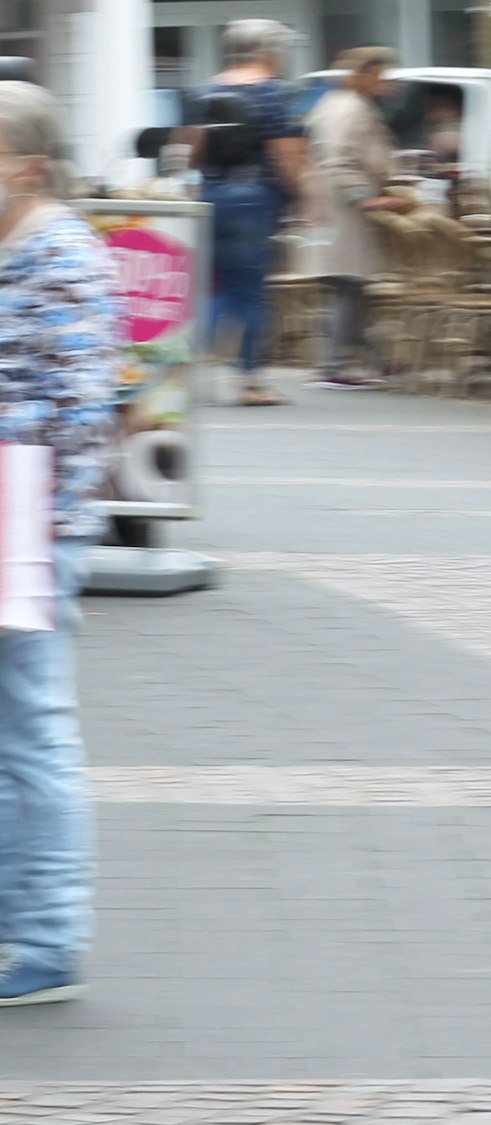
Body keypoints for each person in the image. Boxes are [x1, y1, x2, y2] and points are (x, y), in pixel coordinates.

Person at [0, 81, 120, 1006]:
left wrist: (32, 528)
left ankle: (50, 935)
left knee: (33, 726)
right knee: (13, 730)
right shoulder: (15, 246)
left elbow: (83, 412)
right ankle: (20, 925)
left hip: (23, 512)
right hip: (15, 506)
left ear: (26, 164)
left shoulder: (61, 255)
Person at [189, 19, 305, 407]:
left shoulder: (207, 90)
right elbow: (286, 154)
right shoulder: (273, 94)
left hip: (211, 197)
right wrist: (301, 195)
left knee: (217, 286)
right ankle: (251, 382)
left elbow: (192, 150)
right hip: (254, 200)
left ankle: (181, 368)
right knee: (250, 293)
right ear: (269, 52)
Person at [305, 46, 407, 389]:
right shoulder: (353, 109)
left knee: (347, 287)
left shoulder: (330, 104)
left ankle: (369, 359)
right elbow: (340, 161)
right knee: (349, 285)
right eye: (380, 75)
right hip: (343, 209)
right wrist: (368, 198)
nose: (385, 82)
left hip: (326, 207)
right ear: (362, 75)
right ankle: (333, 366)